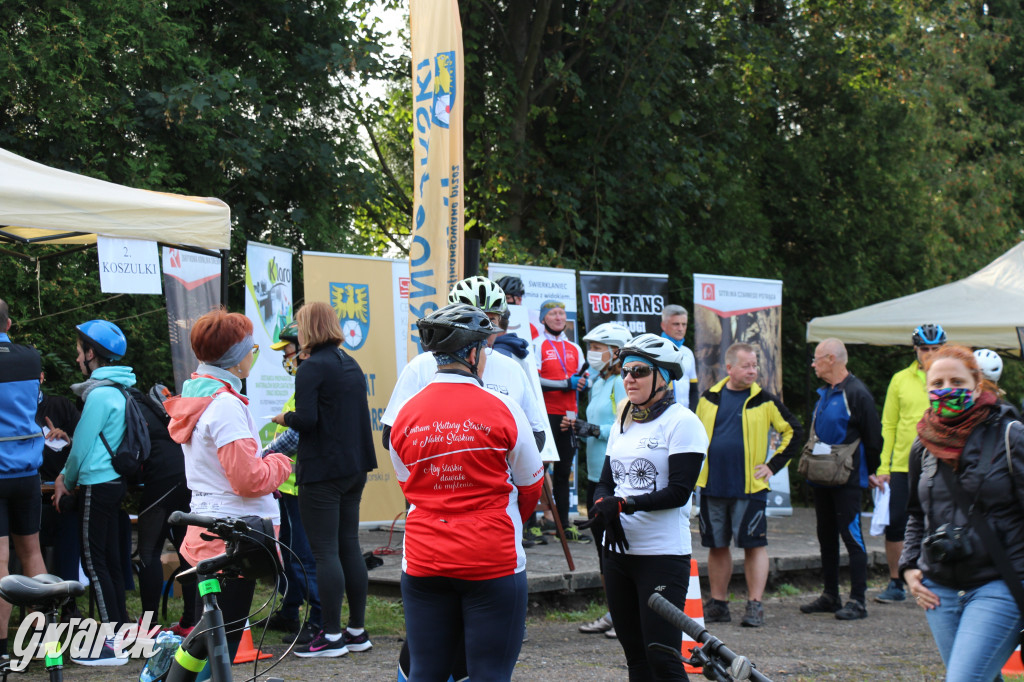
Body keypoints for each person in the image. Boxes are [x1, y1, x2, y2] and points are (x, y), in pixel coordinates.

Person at [389, 303, 544, 681]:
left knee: (425, 671)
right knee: (489, 673)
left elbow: (408, 483)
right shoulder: (504, 408)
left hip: (425, 559)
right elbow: (530, 486)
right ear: (474, 353)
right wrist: (502, 521)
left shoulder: (406, 412)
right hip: (492, 558)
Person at [165, 309, 292, 662]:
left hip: (212, 528)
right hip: (234, 534)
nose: (254, 356)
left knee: (210, 639)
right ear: (236, 361)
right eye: (252, 350)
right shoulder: (225, 406)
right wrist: (280, 464)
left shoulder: (199, 398)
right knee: (222, 642)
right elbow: (248, 480)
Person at [582, 333, 708, 680]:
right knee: (635, 658)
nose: (628, 379)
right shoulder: (625, 418)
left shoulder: (682, 422)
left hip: (662, 556)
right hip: (618, 553)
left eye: (638, 371)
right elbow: (605, 481)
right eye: (624, 371)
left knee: (662, 660)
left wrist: (625, 505)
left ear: (663, 377)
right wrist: (603, 504)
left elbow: (679, 492)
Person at [901, 344, 1024, 682]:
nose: (947, 390)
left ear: (977, 384)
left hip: (1000, 581)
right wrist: (910, 565)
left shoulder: (1010, 435)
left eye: (957, 381)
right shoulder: (923, 445)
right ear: (926, 388)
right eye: (937, 383)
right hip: (938, 589)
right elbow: (915, 514)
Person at [273, 301, 378, 657]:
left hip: (322, 473)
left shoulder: (310, 369)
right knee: (348, 545)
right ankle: (356, 631)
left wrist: (284, 417)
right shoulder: (350, 363)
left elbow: (308, 421)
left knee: (324, 553)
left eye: (300, 326)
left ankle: (330, 637)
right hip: (355, 469)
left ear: (308, 330)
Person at [695, 342, 803, 628]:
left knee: (754, 546)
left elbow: (793, 431)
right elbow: (693, 435)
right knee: (717, 546)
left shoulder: (764, 401)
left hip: (750, 487)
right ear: (729, 368)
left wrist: (773, 466)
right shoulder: (709, 398)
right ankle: (718, 603)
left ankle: (755, 604)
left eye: (755, 365)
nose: (753, 370)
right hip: (712, 485)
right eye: (747, 365)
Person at [50, 319, 135, 665]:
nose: (76, 357)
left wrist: (63, 481)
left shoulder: (100, 395)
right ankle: (121, 634)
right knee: (110, 563)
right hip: (115, 484)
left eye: (79, 350)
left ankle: (109, 644)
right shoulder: (121, 389)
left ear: (91, 353)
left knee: (94, 563)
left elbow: (81, 446)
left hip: (97, 484)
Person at [800, 338, 882, 621]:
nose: (813, 363)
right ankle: (830, 595)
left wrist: (872, 470)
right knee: (826, 536)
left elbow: (873, 437)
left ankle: (858, 599)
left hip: (847, 478)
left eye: (817, 358)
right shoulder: (824, 392)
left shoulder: (857, 394)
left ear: (832, 359)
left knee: (851, 536)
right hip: (821, 476)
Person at [563, 322, 632, 638]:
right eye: (589, 347)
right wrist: (579, 426)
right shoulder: (599, 382)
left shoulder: (621, 381)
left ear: (616, 352)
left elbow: (625, 425)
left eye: (597, 348)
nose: (591, 353)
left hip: (614, 474)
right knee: (603, 549)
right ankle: (615, 611)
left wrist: (593, 430)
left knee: (617, 548)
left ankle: (626, 613)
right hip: (594, 474)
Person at [871, 323, 945, 604]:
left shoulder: (948, 378)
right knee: (896, 525)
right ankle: (895, 581)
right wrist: (883, 467)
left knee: (940, 521)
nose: (929, 353)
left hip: (940, 461)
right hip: (903, 463)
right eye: (924, 348)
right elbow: (888, 424)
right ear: (915, 349)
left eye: (935, 348)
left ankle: (937, 579)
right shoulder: (900, 379)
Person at [264, 320, 321, 645]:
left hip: (302, 491)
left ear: (301, 349)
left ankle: (317, 620)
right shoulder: (302, 383)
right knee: (289, 553)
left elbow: (297, 434)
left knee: (304, 556)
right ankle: (290, 611)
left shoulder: (309, 384)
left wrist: (265, 454)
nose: (285, 357)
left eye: (286, 351)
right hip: (288, 489)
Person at [0, 299, 49, 660]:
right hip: (28, 472)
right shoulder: (31, 358)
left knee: (0, 563)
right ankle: (44, 648)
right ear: (10, 322)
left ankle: (1, 650)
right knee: (32, 553)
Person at [131, 382, 196, 637]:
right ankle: (190, 621)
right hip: (187, 482)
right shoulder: (178, 410)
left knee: (148, 553)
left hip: (159, 485)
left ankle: (149, 625)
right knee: (187, 554)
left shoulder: (138, 409)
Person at [533, 299, 588, 542]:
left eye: (562, 313)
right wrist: (566, 384)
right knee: (538, 471)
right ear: (543, 318)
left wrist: (584, 383)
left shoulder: (575, 348)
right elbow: (535, 382)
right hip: (546, 416)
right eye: (553, 313)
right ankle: (530, 524)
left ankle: (564, 527)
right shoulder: (537, 344)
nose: (559, 317)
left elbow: (584, 380)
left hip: (570, 415)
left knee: (564, 472)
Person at [35, 370, 83, 621]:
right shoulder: (10, 409)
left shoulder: (59, 405)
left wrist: (68, 438)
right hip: (26, 494)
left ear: (42, 377)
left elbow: (88, 443)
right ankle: (37, 607)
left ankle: (67, 604)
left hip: (63, 493)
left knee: (67, 515)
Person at [659, 304, 698, 410]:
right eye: (676, 324)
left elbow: (693, 389)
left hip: (684, 415)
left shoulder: (688, 352)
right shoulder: (655, 349)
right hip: (661, 415)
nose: (681, 328)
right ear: (663, 325)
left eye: (684, 324)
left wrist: (693, 412)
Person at [495, 274, 538, 339]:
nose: (503, 301)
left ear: (519, 299)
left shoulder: (532, 324)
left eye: (507, 298)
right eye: (499, 298)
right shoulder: (492, 319)